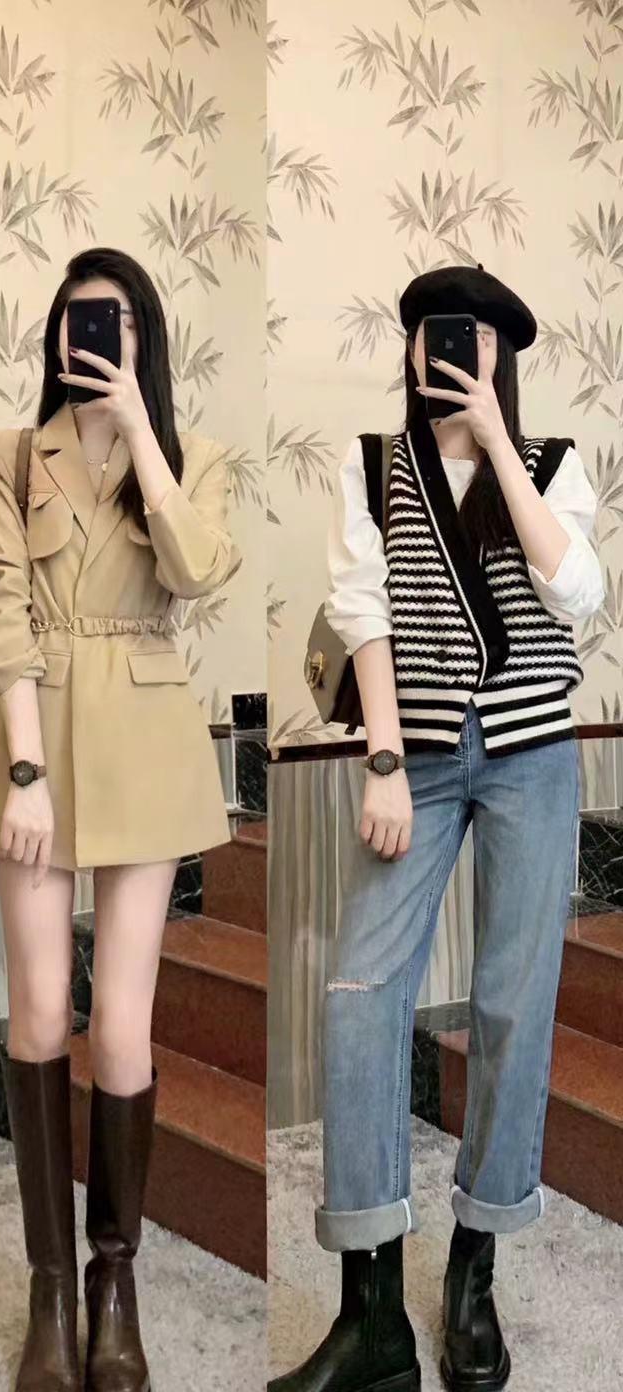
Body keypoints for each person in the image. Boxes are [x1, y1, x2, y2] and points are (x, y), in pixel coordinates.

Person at [271, 264, 604, 1392]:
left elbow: (579, 593)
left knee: (512, 1002)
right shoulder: (373, 466)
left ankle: (474, 1270)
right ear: (410, 349)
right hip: (412, 756)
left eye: (469, 336)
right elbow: (363, 615)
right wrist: (382, 762)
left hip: (533, 757)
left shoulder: (552, 464)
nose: (447, 349)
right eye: (427, 332)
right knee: (360, 997)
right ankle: (371, 1313)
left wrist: (498, 443)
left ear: (500, 356)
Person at [0, 246, 241, 1392]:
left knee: (121, 1023)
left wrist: (143, 437)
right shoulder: (8, 453)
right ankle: (51, 1294)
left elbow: (200, 572)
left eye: (113, 323)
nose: (91, 339)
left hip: (149, 744)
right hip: (35, 733)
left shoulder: (195, 458)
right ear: (54, 336)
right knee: (36, 1009)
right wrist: (26, 769)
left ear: (142, 339)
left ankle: (114, 1283)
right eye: (76, 321)